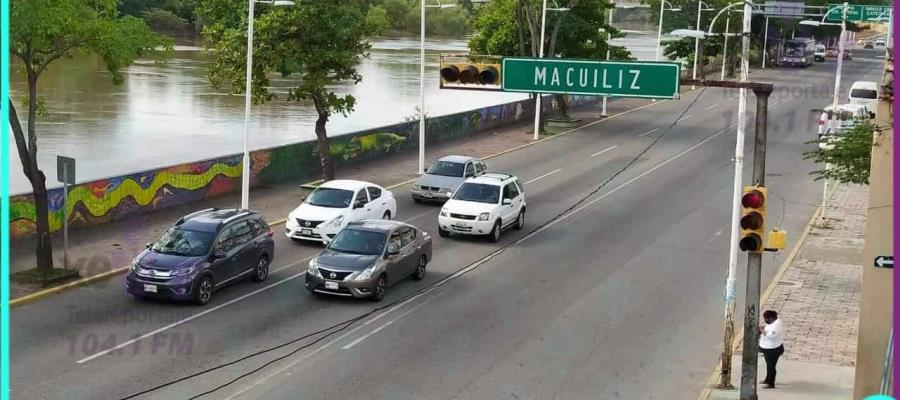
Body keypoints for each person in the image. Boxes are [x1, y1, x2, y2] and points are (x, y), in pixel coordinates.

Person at [759, 310, 785, 388]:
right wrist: (764, 328)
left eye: (766, 319)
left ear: (771, 318)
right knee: (769, 365)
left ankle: (770, 383)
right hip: (769, 348)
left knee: (771, 366)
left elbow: (771, 336)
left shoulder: (776, 326)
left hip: (773, 349)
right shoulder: (774, 323)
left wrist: (761, 330)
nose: (765, 320)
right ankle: (768, 379)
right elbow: (768, 328)